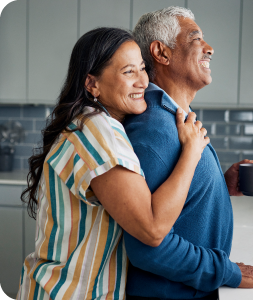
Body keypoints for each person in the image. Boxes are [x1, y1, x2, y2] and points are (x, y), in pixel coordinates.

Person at [17, 27, 210, 300]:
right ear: (92, 84)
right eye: (128, 72)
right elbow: (152, 229)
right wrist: (192, 151)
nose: (143, 81)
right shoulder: (98, 131)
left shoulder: (90, 123)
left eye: (142, 68)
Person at [123, 6, 253, 300]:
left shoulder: (173, 118)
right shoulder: (155, 131)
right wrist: (230, 272)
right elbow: (149, 249)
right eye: (196, 39)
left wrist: (219, 187)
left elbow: (173, 203)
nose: (209, 49)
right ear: (161, 53)